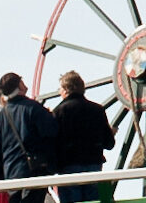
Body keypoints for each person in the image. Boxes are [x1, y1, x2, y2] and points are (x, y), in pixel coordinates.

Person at [0, 72, 58, 203]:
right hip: (34, 169)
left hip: (11, 172)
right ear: (20, 85)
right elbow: (50, 134)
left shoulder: (2, 115)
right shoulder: (34, 108)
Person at [52, 71, 113, 201]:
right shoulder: (97, 110)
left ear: (66, 89)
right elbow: (109, 143)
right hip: (93, 165)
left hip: (68, 167)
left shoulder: (59, 112)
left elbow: (53, 143)